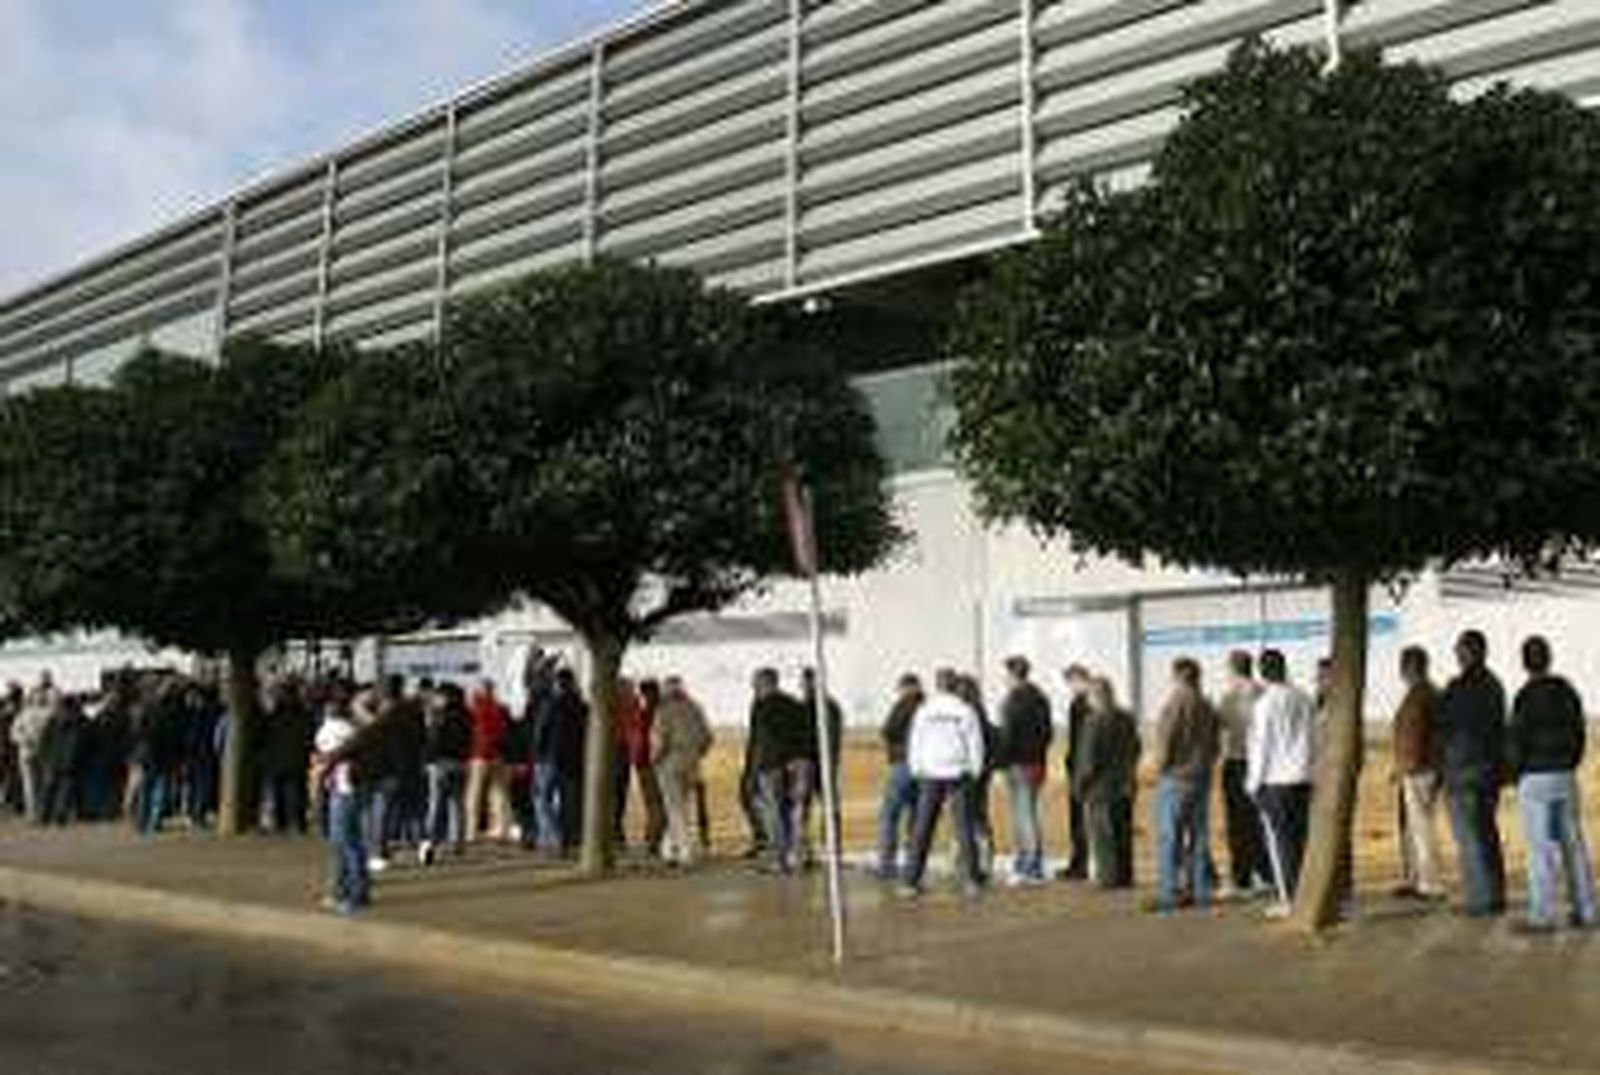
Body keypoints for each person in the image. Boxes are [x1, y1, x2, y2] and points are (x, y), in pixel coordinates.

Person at [1507, 636, 1594, 930]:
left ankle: (1542, 916)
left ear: (1524, 662)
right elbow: (1580, 732)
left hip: (1534, 778)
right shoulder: (1567, 690)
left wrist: (1515, 772)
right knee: (1574, 845)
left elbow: (1516, 741)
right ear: (1549, 658)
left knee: (1539, 849)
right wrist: (1570, 762)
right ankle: (1586, 911)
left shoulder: (1525, 696)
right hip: (1565, 775)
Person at [1437, 630, 1508, 917]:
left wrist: (1445, 763)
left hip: (1464, 773)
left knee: (1470, 839)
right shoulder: (1494, 685)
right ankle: (1495, 894)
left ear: (1470, 652)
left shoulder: (1459, 688)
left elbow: (1446, 726)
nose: (1456, 654)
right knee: (1487, 835)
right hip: (1489, 771)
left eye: (1459, 649)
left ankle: (1480, 900)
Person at [902, 668, 987, 899]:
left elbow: (915, 741)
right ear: (955, 685)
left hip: (930, 773)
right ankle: (971, 880)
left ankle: (910, 880)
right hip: (958, 773)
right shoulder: (965, 710)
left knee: (922, 827)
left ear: (937, 685)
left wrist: (916, 768)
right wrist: (975, 769)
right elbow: (975, 743)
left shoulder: (925, 710)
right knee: (964, 828)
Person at [1247, 649, 1317, 915]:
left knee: (1280, 844)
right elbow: (1314, 738)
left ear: (1262, 673)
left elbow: (1261, 747)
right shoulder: (1304, 698)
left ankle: (1288, 898)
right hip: (1303, 779)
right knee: (1301, 840)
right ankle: (1305, 894)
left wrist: (1252, 784)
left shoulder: (1265, 704)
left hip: (1275, 782)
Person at [1149, 657, 1220, 913]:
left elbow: (1165, 742)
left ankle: (1168, 894)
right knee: (1199, 837)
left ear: (1177, 676)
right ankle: (1199, 892)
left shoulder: (1174, 704)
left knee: (1169, 838)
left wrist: (1158, 770)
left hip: (1175, 779)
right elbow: (1215, 746)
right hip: (1201, 777)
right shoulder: (1207, 706)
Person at [1075, 676, 1140, 888]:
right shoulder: (1126, 718)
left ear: (1096, 696)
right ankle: (1125, 875)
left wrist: (1079, 785)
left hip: (1100, 788)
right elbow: (1136, 748)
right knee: (1123, 831)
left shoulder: (1093, 721)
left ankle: (1107, 876)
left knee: (1102, 834)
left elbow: (1088, 759)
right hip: (1125, 784)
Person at [1391, 646, 1445, 901]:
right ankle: (1416, 878)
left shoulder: (1419, 695)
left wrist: (1404, 767)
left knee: (1421, 827)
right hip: (1423, 767)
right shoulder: (1430, 692)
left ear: (1410, 668)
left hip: (1418, 770)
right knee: (1415, 827)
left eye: (1403, 666)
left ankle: (1429, 883)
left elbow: (1414, 734)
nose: (1401, 671)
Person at [747, 668, 810, 873]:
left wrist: (751, 772)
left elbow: (759, 741)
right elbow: (806, 735)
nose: (754, 687)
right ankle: (797, 856)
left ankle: (778, 859)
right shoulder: (794, 704)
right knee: (793, 812)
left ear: (764, 683)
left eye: (756, 683)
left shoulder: (761, 706)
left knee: (773, 813)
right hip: (797, 764)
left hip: (771, 765)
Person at [998, 656, 1052, 885]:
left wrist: (1001, 760)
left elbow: (1007, 735)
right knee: (1026, 814)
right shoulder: (1041, 697)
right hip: (1037, 762)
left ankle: (1030, 867)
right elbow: (1048, 733)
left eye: (1006, 675)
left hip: (1018, 764)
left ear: (1013, 675)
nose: (1004, 679)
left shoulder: (1013, 700)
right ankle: (1026, 864)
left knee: (1023, 816)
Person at [313, 695, 369, 916]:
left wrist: (323, 763)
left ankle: (351, 894)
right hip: (350, 787)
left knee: (345, 843)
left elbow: (328, 757)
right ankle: (346, 890)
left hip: (344, 788)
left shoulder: (333, 730)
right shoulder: (351, 729)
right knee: (349, 842)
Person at [652, 676, 714, 866]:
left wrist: (655, 759)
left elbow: (660, 740)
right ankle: (667, 848)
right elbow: (708, 737)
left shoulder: (664, 710)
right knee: (682, 805)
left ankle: (685, 851)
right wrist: (697, 753)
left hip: (671, 762)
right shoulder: (695, 708)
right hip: (692, 762)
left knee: (674, 807)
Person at [1217, 650, 1266, 895]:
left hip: (1237, 763)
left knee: (1237, 824)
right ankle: (1265, 872)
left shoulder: (1230, 697)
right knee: (1258, 821)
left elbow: (1220, 728)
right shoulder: (1263, 693)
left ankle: (1241, 877)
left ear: (1233, 669)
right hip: (1261, 765)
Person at [875, 673, 923, 880]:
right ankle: (913, 863)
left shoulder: (904, 704)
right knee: (916, 817)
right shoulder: (926, 705)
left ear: (906, 687)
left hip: (903, 764)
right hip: (923, 767)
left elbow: (888, 730)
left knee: (889, 814)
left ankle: (886, 863)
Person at [612, 678, 665, 856]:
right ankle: (651, 836)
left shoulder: (643, 711)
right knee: (653, 800)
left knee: (652, 801)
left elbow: (638, 736)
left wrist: (637, 757)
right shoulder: (640, 709)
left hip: (641, 759)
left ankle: (653, 838)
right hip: (638, 758)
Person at [419, 682, 470, 864]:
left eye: (439, 696)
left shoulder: (440, 716)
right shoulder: (467, 715)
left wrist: (427, 760)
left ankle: (430, 842)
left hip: (440, 763)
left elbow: (434, 740)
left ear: (447, 697)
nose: (436, 699)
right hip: (460, 764)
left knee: (436, 805)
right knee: (457, 805)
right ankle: (458, 843)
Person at [1057, 664, 1094, 880]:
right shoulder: (1090, 702)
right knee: (1081, 818)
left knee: (1079, 818)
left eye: (1070, 682)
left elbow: (1081, 739)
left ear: (1078, 679)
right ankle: (1079, 861)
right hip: (1083, 766)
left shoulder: (1081, 704)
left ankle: (1079, 863)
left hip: (1080, 767)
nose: (1070, 687)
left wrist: (1076, 765)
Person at [464, 679, 512, 843]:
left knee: (474, 796)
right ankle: (502, 829)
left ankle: (471, 832)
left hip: (478, 755)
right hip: (498, 754)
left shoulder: (474, 708)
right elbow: (506, 731)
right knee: (500, 795)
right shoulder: (501, 709)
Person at [12, 673, 59, 824]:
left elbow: (14, 733)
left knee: (30, 785)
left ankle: (33, 814)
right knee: (40, 784)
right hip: (41, 752)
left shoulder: (24, 714)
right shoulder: (49, 714)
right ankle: (40, 812)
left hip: (27, 752)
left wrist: (25, 740)